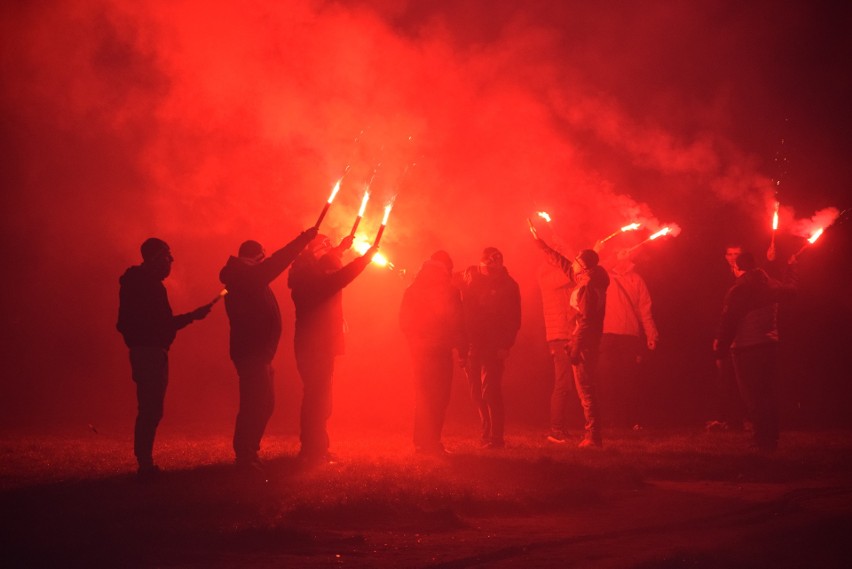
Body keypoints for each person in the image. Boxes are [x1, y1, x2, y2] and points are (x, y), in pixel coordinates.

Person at [219, 227, 318, 471]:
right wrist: (303, 240)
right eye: (264, 256)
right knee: (255, 403)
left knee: (265, 402)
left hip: (259, 352)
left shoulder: (245, 275)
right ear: (257, 256)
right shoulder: (245, 275)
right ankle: (245, 455)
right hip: (252, 352)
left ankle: (250, 451)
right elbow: (278, 261)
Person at [117, 238, 212, 480]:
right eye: (167, 256)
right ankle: (144, 463)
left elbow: (132, 323)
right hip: (150, 352)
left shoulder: (134, 283)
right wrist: (192, 316)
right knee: (151, 408)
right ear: (156, 257)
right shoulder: (150, 286)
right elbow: (162, 324)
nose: (171, 261)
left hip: (142, 350)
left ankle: (144, 459)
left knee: (149, 408)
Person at [287, 233, 376, 462]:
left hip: (317, 345)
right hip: (316, 347)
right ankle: (312, 450)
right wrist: (365, 259)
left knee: (320, 399)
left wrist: (341, 248)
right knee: (317, 400)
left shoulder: (308, 276)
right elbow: (342, 276)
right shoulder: (315, 283)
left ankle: (317, 447)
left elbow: (330, 267)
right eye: (323, 248)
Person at [713, 251, 797, 452]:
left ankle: (761, 441)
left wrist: (720, 350)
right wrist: (791, 268)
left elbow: (729, 321)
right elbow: (792, 290)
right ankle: (771, 439)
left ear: (737, 267)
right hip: (769, 346)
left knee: (753, 397)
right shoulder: (770, 283)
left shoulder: (740, 289)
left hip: (747, 349)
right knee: (768, 395)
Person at [535, 239, 609, 448]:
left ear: (584, 266)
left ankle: (593, 436)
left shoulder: (587, 286)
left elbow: (586, 321)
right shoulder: (585, 279)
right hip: (580, 340)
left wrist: (576, 347)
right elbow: (564, 265)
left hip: (584, 342)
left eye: (577, 259)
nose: (573, 262)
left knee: (586, 390)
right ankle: (592, 434)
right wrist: (542, 245)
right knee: (585, 389)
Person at [399, 251, 467, 456]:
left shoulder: (412, 289)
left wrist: (415, 342)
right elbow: (457, 322)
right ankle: (433, 442)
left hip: (419, 352)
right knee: (439, 397)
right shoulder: (449, 290)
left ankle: (420, 441)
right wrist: (462, 349)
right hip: (440, 350)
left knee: (423, 396)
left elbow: (404, 321)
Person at [461, 247, 521, 449]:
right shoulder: (469, 277)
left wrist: (505, 344)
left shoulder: (509, 285)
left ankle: (496, 437)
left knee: (491, 391)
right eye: (488, 266)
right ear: (482, 263)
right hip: (472, 344)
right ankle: (486, 433)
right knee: (476, 393)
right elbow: (446, 284)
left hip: (493, 346)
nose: (491, 271)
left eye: (495, 267)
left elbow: (514, 318)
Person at [597, 249, 658, 430]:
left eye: (627, 251)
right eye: (620, 251)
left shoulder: (636, 279)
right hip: (606, 334)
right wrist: (605, 254)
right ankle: (610, 420)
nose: (624, 254)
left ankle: (629, 420)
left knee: (629, 379)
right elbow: (589, 272)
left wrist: (651, 334)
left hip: (630, 335)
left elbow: (644, 309)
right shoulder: (604, 275)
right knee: (607, 379)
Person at [535, 250, 578, 444]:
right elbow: (573, 272)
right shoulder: (546, 274)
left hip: (568, 334)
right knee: (563, 384)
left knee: (569, 385)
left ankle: (561, 427)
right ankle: (556, 430)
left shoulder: (558, 272)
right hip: (559, 336)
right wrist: (595, 252)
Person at [706, 244, 749, 432]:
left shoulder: (748, 279)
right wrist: (718, 335)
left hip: (744, 333)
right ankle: (726, 419)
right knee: (725, 377)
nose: (733, 257)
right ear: (725, 257)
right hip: (726, 333)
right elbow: (718, 309)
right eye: (730, 254)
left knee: (744, 378)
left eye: (737, 254)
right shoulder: (720, 279)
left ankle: (743, 419)